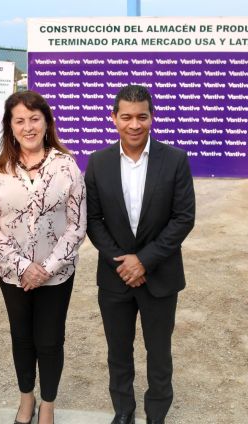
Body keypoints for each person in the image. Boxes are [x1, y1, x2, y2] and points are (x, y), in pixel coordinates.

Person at [84, 84, 195, 424]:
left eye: (142, 117)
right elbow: (93, 220)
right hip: (115, 277)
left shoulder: (174, 160)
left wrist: (144, 261)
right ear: (114, 118)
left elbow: (183, 218)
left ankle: (156, 415)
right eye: (127, 117)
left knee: (159, 353)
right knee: (118, 352)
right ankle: (123, 412)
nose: (134, 125)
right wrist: (123, 262)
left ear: (152, 117)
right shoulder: (98, 162)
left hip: (160, 276)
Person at [0, 91, 86, 424]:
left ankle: (48, 404)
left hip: (57, 274)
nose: (28, 127)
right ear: (10, 127)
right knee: (22, 338)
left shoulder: (67, 166)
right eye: (20, 121)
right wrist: (24, 267)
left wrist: (46, 268)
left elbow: (77, 225)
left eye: (34, 119)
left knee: (51, 341)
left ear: (47, 122)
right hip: (13, 275)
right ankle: (26, 399)